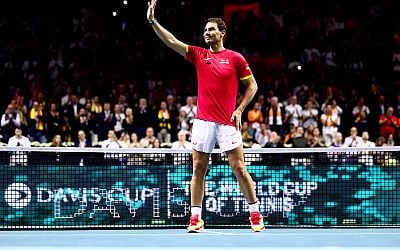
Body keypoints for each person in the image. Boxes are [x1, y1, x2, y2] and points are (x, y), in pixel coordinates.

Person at [147, 0, 264, 233]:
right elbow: (171, 41)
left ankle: (255, 214)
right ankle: (195, 219)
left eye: (211, 29)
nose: (207, 33)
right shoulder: (199, 55)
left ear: (222, 33)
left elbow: (252, 86)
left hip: (227, 123)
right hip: (202, 122)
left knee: (239, 168)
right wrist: (153, 21)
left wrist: (239, 110)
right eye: (205, 30)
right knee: (198, 169)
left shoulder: (235, 58)